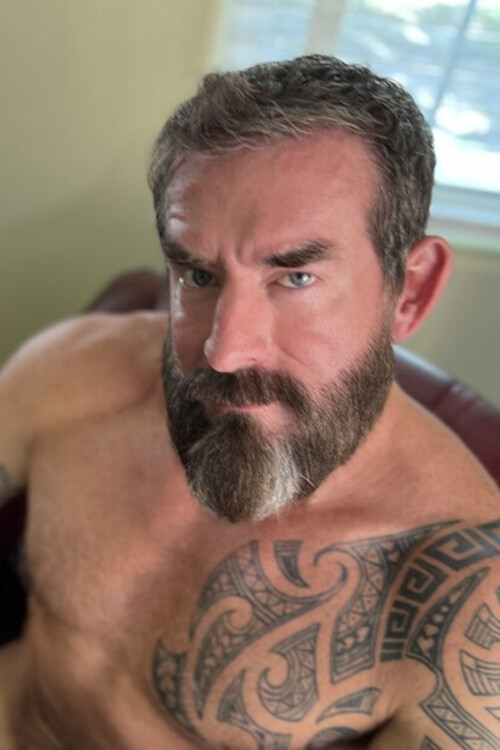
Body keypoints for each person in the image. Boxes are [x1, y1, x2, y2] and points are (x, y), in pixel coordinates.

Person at [0, 53, 499, 750]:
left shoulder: (466, 602)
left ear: (409, 292)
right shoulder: (73, 370)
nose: (224, 351)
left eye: (295, 277)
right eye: (199, 275)